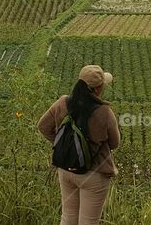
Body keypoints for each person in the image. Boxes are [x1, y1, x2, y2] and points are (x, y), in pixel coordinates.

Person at [38, 65, 121, 225]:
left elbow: (43, 126)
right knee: (88, 222)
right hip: (94, 174)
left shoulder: (62, 102)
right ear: (98, 89)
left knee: (68, 218)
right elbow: (115, 143)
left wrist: (65, 146)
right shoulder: (104, 112)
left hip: (66, 169)